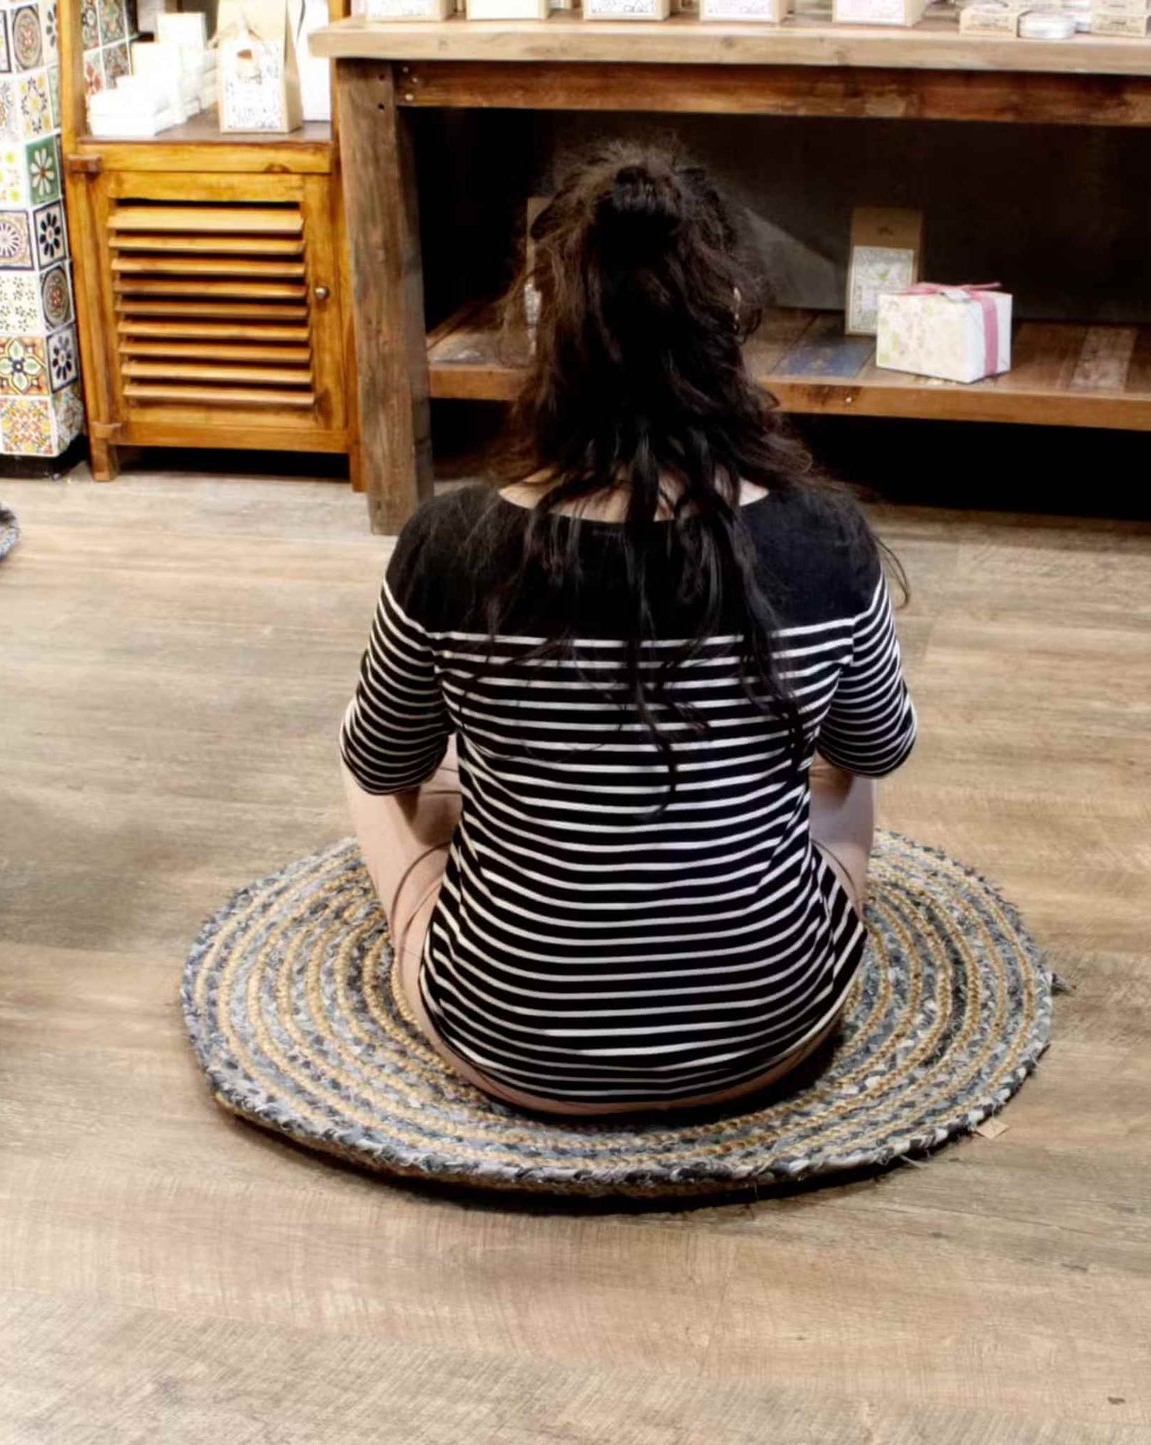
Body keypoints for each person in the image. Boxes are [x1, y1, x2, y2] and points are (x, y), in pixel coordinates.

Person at [340, 144, 915, 1117]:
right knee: (844, 791)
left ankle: (477, 931)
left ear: (547, 331)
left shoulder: (448, 543)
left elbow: (383, 766)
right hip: (774, 1037)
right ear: (729, 319)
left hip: (507, 1044)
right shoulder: (824, 538)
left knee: (369, 779)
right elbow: (874, 750)